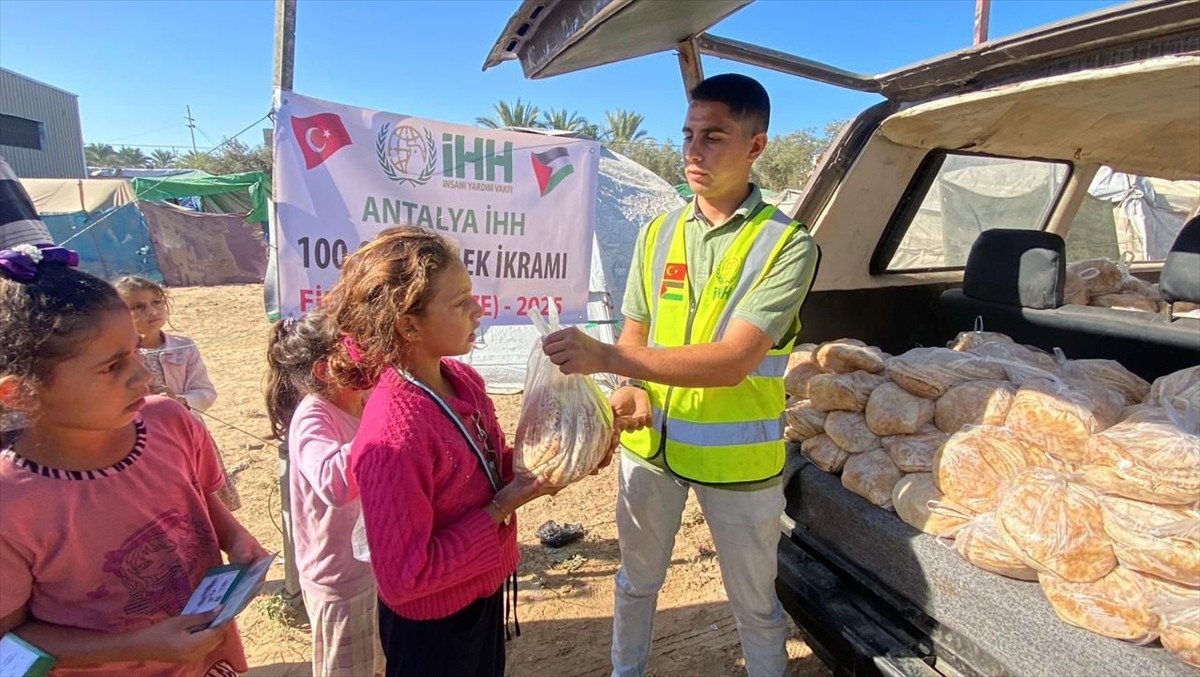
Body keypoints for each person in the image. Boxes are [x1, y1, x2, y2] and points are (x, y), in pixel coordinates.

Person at [541, 73, 820, 677]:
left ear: (756, 146)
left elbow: (734, 361)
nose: (693, 151)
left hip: (737, 463)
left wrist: (609, 361)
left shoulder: (786, 245)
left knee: (753, 604)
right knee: (636, 584)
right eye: (688, 134)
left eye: (714, 136)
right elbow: (636, 327)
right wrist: (631, 391)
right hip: (651, 451)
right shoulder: (658, 232)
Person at [0, 243, 267, 675]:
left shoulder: (169, 421)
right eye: (112, 366)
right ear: (20, 393)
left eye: (136, 351)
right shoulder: (11, 504)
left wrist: (233, 537)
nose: (143, 375)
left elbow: (197, 495)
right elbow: (9, 641)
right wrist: (137, 645)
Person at [324, 226, 570, 677]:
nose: (478, 310)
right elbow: (404, 580)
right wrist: (503, 506)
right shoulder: (392, 437)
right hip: (433, 632)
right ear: (409, 325)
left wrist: (567, 449)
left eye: (471, 295)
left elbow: (488, 467)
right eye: (460, 303)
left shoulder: (462, 381)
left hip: (479, 591)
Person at [265, 310, 383, 677]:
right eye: (356, 353)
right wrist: (382, 426)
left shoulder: (362, 403)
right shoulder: (313, 416)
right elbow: (336, 484)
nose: (369, 359)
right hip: (340, 581)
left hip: (373, 568)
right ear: (323, 371)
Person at [114, 275, 240, 511]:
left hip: (188, 433)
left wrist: (181, 401)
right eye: (138, 307)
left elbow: (205, 391)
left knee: (207, 501)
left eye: (156, 302)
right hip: (141, 441)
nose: (151, 311)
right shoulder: (119, 353)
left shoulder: (183, 345)